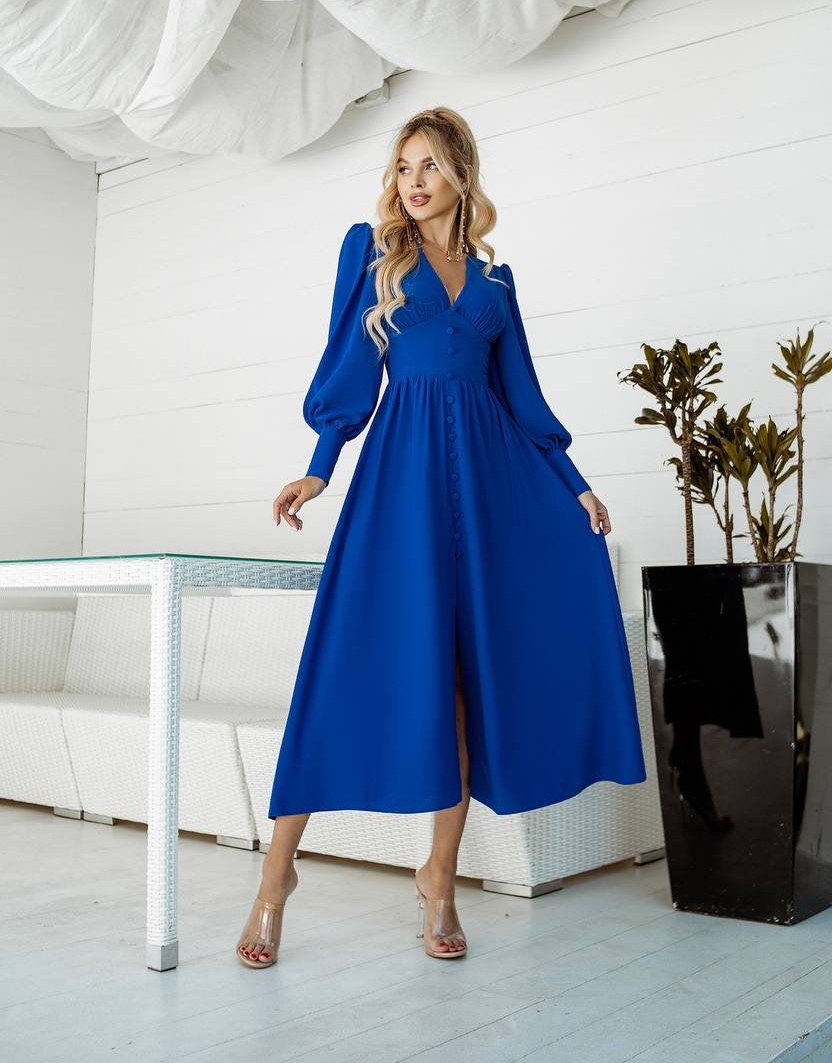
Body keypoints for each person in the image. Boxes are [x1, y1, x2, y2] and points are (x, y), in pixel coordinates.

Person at [236, 107, 647, 968]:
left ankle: (440, 877)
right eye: (403, 165)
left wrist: (574, 487)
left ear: (460, 174)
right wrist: (319, 465)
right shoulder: (372, 252)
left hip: (495, 487)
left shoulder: (497, 285)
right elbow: (347, 366)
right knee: (345, 666)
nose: (413, 180)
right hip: (402, 481)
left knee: (464, 683)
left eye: (429, 165)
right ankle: (277, 878)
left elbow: (523, 398)